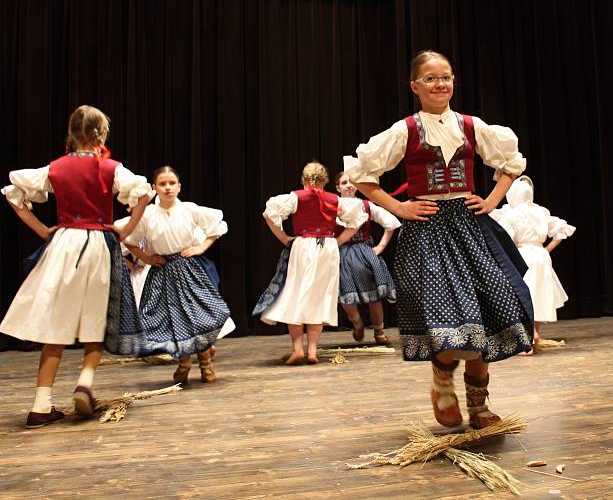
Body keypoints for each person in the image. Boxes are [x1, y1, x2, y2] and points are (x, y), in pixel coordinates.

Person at [343, 50, 533, 429]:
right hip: (428, 232)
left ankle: (479, 405)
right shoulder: (405, 131)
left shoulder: (470, 125)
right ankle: (442, 382)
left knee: (487, 310)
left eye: (445, 77)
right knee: (449, 314)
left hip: (468, 226)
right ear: (415, 86)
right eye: (430, 78)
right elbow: (364, 176)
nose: (440, 84)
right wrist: (399, 208)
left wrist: (492, 200)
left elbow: (510, 163)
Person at [0, 105, 152, 428]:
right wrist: (125, 230)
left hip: (64, 244)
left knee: (56, 322)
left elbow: (14, 195)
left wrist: (43, 230)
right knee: (95, 319)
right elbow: (142, 193)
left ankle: (41, 404)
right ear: (101, 134)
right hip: (98, 244)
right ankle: (84, 381)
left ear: (71, 133)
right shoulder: (111, 168)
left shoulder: (55, 168)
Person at [115, 166, 231, 384]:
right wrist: (147, 258)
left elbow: (216, 225)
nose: (167, 188)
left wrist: (201, 248)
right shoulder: (147, 214)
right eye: (162, 184)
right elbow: (128, 238)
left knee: (199, 315)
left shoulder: (188, 209)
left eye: (171, 183)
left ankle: (205, 362)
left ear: (179, 187)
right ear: (154, 188)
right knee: (174, 319)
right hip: (163, 272)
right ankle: (184, 363)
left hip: (187, 269)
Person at [254, 162, 367, 365]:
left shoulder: (296, 197)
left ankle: (298, 349)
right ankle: (312, 351)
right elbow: (357, 220)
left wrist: (284, 238)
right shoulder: (336, 200)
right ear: (324, 181)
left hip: (303, 245)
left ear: (304, 180)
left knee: (295, 295)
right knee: (319, 297)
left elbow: (268, 214)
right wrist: (339, 241)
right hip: (328, 248)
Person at [491, 176, 574, 354]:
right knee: (538, 293)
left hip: (523, 255)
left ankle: (527, 339)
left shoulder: (512, 214)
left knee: (523, 295)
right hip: (540, 255)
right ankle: (535, 331)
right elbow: (562, 230)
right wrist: (545, 249)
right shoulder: (540, 212)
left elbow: (504, 236)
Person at [333, 172, 400, 345]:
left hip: (364, 253)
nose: (348, 185)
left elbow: (390, 222)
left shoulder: (366, 206)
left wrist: (381, 246)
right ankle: (357, 323)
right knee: (345, 294)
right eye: (344, 182)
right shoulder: (331, 206)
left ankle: (379, 331)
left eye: (352, 182)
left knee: (375, 296)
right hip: (341, 253)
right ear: (337, 187)